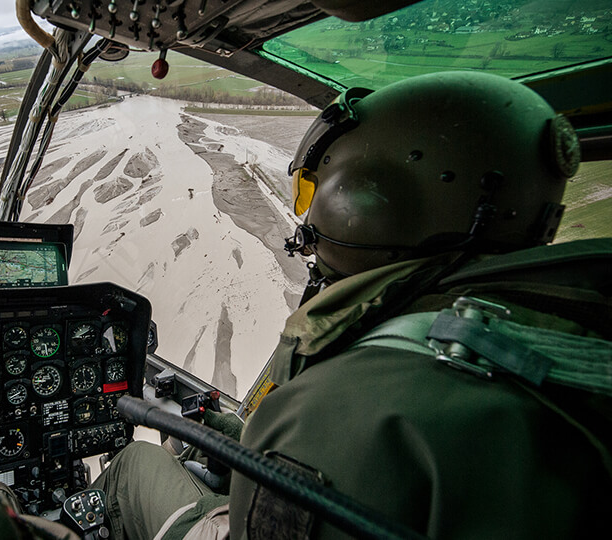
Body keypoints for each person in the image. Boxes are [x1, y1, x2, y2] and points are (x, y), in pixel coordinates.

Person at [91, 70, 612, 539]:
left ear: (364, 198)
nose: (307, 218)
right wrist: (235, 436)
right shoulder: (558, 326)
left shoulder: (363, 393)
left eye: (309, 193)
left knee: (136, 464)